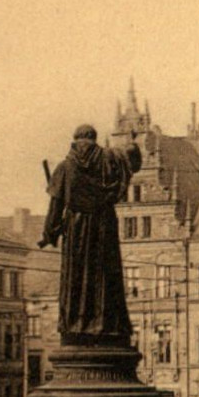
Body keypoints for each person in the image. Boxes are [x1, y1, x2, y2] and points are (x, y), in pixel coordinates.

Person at [40, 124, 143, 343]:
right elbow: (133, 161)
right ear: (94, 140)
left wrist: (50, 233)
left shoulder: (65, 167)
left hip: (76, 229)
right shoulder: (110, 159)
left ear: (75, 140)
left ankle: (77, 327)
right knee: (106, 276)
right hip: (104, 225)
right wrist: (133, 143)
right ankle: (108, 325)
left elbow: (55, 208)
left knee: (77, 277)